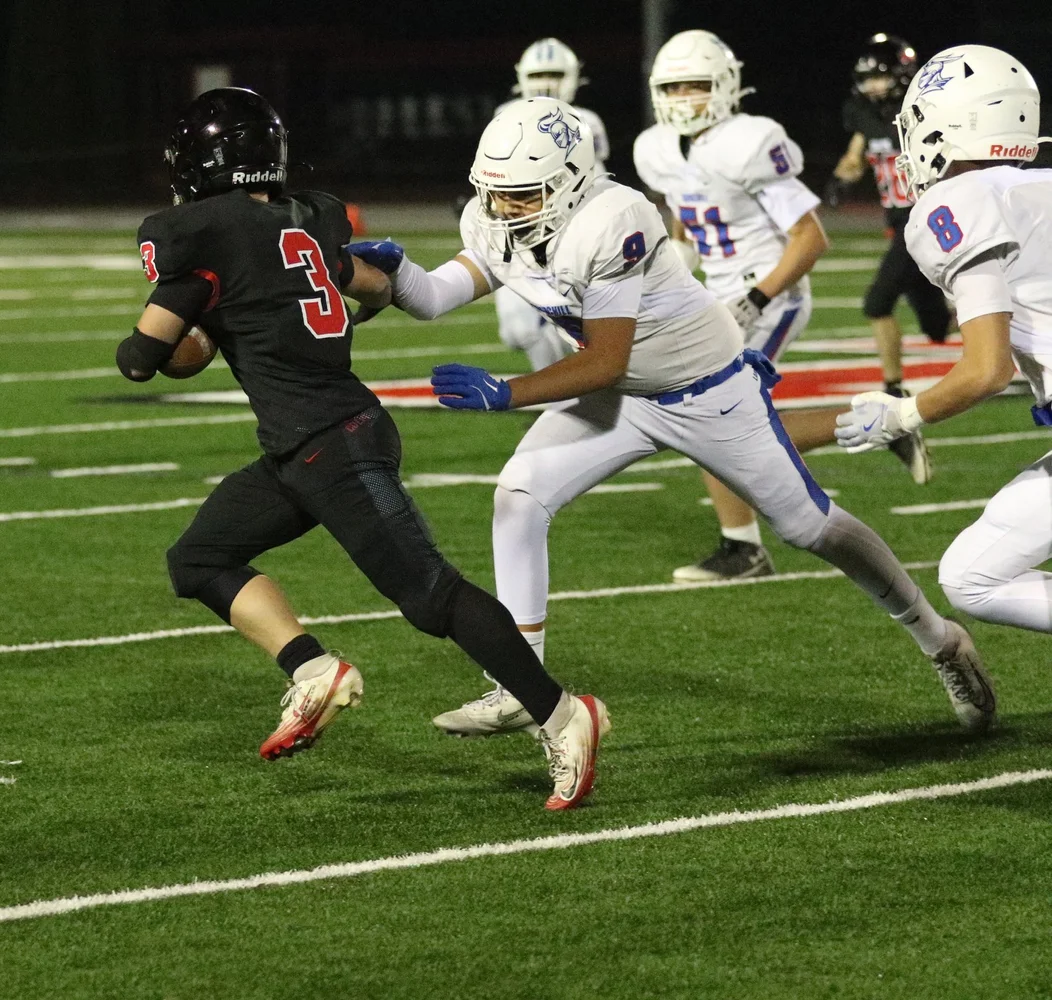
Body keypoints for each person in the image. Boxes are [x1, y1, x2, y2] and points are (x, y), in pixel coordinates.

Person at [346, 96, 996, 740]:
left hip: (704, 390)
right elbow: (435, 297)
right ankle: (521, 682)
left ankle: (940, 639)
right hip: (625, 398)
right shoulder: (494, 218)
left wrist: (509, 391)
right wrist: (393, 277)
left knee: (810, 527)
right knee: (518, 495)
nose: (501, 208)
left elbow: (606, 359)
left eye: (520, 194)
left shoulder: (612, 218)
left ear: (571, 182)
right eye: (492, 192)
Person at [121, 87, 607, 810]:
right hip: (307, 443)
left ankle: (563, 714)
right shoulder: (309, 218)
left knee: (432, 596)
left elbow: (141, 358)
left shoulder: (197, 236)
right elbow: (374, 289)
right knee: (198, 558)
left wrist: (195, 315)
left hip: (333, 445)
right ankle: (313, 669)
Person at [632, 30, 927, 583]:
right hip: (718, 294)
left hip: (770, 293)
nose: (684, 98)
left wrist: (756, 298)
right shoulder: (658, 149)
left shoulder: (750, 141)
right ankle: (878, 421)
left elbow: (811, 238)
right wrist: (673, 269)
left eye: (696, 85)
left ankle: (744, 548)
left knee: (711, 414)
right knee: (717, 420)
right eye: (673, 87)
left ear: (725, 86)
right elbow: (684, 218)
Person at [837, 44, 1052, 634]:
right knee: (970, 572)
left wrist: (904, 414)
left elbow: (987, 370)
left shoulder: (959, 200)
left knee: (977, 578)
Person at [831, 33, 944, 482]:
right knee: (937, 327)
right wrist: (843, 177)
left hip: (927, 222)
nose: (874, 86)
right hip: (899, 225)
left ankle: (893, 389)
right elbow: (856, 156)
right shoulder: (864, 114)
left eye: (880, 77)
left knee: (877, 303)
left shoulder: (925, 113)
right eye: (868, 79)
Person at [494, 38, 612, 373]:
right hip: (518, 235)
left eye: (555, 74)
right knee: (516, 331)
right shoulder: (504, 115)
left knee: (565, 329)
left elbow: (593, 175)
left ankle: (563, 392)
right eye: (539, 74)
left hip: (568, 235)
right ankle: (565, 387)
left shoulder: (586, 120)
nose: (546, 82)